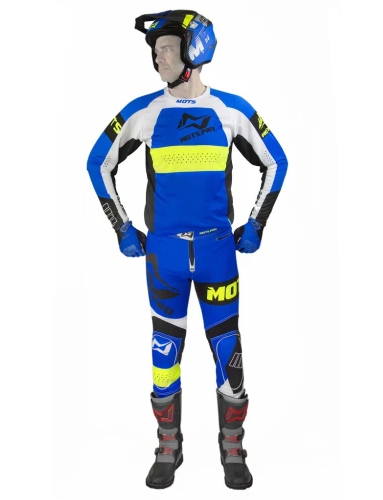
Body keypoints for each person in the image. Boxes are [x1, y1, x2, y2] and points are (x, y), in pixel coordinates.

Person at [86, 9, 288, 490]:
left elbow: (276, 161)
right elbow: (97, 161)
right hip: (165, 259)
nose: (158, 59)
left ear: (194, 52)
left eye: (167, 49)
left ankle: (232, 448)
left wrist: (257, 223)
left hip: (218, 255)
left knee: (228, 349)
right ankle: (167, 447)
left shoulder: (232, 110)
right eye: (155, 52)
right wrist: (121, 227)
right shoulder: (143, 111)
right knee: (164, 353)